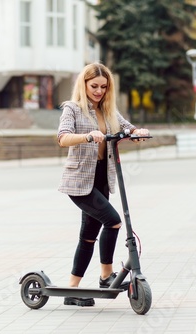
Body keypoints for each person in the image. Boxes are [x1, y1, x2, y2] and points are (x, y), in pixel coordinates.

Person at [57, 63, 150, 307]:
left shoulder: (108, 110)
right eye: (94, 86)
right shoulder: (73, 109)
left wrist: (137, 132)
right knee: (114, 221)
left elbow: (126, 127)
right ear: (84, 84)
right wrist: (88, 136)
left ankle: (71, 290)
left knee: (88, 237)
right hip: (79, 182)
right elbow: (63, 138)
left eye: (103, 87)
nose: (98, 91)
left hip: (101, 179)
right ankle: (106, 276)